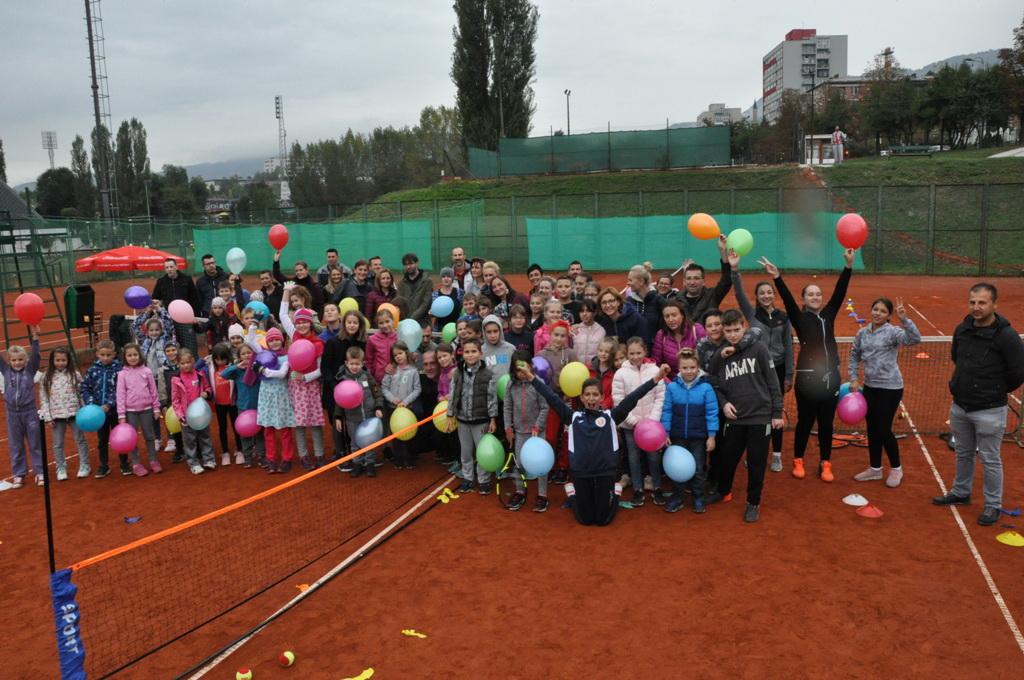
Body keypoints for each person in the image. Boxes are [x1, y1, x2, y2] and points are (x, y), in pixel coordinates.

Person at [524, 358, 671, 526]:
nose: (591, 398)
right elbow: (551, 397)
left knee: (603, 520)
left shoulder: (610, 417)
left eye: (595, 394)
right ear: (581, 397)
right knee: (585, 520)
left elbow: (633, 397)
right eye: (587, 394)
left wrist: (657, 378)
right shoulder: (572, 417)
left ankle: (616, 491)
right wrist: (531, 378)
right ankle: (572, 494)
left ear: (602, 397)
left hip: (605, 472)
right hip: (581, 472)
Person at [933, 283, 1024, 526]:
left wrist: (993, 390)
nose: (976, 307)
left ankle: (993, 505)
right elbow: (957, 357)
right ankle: (961, 492)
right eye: (973, 302)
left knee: (990, 458)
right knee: (963, 452)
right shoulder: (962, 329)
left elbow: (1018, 372)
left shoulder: (1007, 336)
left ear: (995, 304)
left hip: (990, 409)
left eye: (982, 302)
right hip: (961, 406)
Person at [761, 248, 854, 482]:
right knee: (805, 421)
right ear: (804, 299)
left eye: (817, 294)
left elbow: (840, 293)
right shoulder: (800, 319)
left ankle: (825, 463)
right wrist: (777, 277)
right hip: (807, 381)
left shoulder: (828, 316)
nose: (815, 297)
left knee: (826, 424)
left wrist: (848, 267)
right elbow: (787, 301)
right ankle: (798, 459)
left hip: (831, 379)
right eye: (810, 295)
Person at [706, 310, 784, 523]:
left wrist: (777, 412)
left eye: (736, 330)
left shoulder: (759, 349)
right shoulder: (722, 354)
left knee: (756, 462)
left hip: (759, 417)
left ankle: (753, 502)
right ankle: (724, 491)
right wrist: (724, 403)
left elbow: (773, 382)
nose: (732, 335)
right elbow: (712, 380)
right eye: (728, 330)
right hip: (735, 418)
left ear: (744, 327)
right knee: (728, 458)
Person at [848, 297, 921, 487]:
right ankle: (875, 469)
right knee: (872, 429)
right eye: (875, 309)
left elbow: (914, 339)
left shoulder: (893, 332)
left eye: (882, 311)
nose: (877, 313)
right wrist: (854, 378)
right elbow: (854, 355)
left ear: (889, 315)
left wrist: (905, 319)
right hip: (870, 387)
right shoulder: (862, 333)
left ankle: (896, 468)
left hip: (891, 387)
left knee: (883, 429)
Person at [731, 253, 793, 473]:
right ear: (756, 296)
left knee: (775, 411)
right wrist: (735, 270)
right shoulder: (752, 313)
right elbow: (738, 294)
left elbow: (789, 347)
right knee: (758, 414)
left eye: (769, 292)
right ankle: (755, 454)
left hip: (778, 370)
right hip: (757, 370)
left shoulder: (783, 317)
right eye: (762, 293)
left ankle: (776, 455)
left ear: (773, 295)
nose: (766, 296)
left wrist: (788, 375)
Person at [661, 348, 718, 514]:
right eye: (685, 368)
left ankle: (698, 497)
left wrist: (712, 436)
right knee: (677, 468)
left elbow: (712, 413)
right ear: (679, 368)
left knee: (698, 469)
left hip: (698, 438)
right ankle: (677, 497)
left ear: (698, 367)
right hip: (677, 437)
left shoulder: (706, 388)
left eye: (692, 367)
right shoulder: (671, 388)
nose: (689, 371)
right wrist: (666, 432)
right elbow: (666, 411)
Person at [612, 336, 666, 506]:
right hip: (630, 426)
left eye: (638, 352)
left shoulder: (654, 370)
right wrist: (635, 422)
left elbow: (660, 397)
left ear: (645, 352)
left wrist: (652, 421)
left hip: (652, 427)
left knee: (654, 457)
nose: (635, 356)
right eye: (631, 353)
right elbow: (618, 400)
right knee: (633, 458)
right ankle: (637, 490)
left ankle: (657, 487)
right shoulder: (620, 373)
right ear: (627, 354)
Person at [279, 302, 327, 469]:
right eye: (298, 322)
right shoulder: (294, 336)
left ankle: (320, 456)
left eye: (304, 321)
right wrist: (286, 292)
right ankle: (304, 456)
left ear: (311, 323)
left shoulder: (318, 343)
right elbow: (283, 316)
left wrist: (304, 376)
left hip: (311, 386)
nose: (301, 325)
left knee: (315, 423)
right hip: (296, 388)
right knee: (298, 423)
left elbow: (321, 370)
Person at [448, 338, 499, 494]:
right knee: (466, 451)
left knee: (481, 452)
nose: (470, 355)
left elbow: (492, 398)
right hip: (462, 420)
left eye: (473, 351)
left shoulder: (488, 375)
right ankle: (468, 478)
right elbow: (453, 394)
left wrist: (492, 418)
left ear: (480, 353)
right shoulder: (457, 373)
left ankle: (483, 480)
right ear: (462, 353)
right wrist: (451, 414)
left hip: (481, 420)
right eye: (467, 352)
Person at [504, 349, 551, 512]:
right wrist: (508, 426)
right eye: (518, 369)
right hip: (519, 432)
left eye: (524, 368)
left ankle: (542, 495)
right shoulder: (510, 384)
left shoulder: (538, 383)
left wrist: (538, 426)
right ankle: (519, 491)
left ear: (531, 366)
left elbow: (545, 407)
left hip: (537, 432)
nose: (522, 373)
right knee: (519, 463)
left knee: (541, 464)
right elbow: (507, 406)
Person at [248, 326, 296, 473]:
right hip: (266, 397)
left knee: (284, 430)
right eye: (271, 340)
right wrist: (253, 325)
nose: (274, 343)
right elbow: (250, 340)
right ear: (267, 342)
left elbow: (282, 374)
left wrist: (263, 371)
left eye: (277, 340)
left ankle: (287, 459)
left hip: (281, 396)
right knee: (268, 430)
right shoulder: (263, 353)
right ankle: (271, 459)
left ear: (282, 341)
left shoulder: (287, 357)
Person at [39, 347, 91, 480]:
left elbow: (81, 394)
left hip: (75, 413)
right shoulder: (46, 376)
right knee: (57, 443)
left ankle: (85, 465)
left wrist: (85, 411)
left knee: (80, 440)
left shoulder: (75, 374)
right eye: (57, 360)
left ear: (68, 361)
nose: (61, 362)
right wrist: (48, 416)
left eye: (63, 360)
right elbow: (44, 398)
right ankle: (61, 467)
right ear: (52, 361)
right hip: (57, 416)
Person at [1, 327, 42, 487]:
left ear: (25, 361)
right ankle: (19, 474)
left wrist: (35, 339)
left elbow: (36, 356)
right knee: (15, 444)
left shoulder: (30, 370)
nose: (17, 362)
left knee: (35, 443)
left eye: (20, 360)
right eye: (13, 360)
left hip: (30, 413)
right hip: (12, 415)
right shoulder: (5, 371)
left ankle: (39, 472)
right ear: (9, 361)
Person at [334, 346, 384, 476]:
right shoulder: (343, 380)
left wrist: (378, 407)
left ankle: (370, 463)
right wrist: (338, 417)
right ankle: (357, 463)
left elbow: (377, 393)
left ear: (363, 363)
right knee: (355, 441)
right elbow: (339, 400)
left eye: (357, 364)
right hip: (352, 418)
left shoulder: (367, 377)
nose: (354, 366)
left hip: (369, 416)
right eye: (352, 363)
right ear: (346, 363)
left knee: (370, 440)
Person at [116, 343, 162, 476]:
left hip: (147, 410)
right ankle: (136, 463)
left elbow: (153, 391)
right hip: (130, 412)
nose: (133, 357)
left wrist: (156, 408)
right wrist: (121, 415)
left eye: (135, 354)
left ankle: (153, 460)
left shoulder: (147, 371)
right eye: (129, 355)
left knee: (149, 436)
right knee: (132, 438)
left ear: (140, 355)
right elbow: (120, 395)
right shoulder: (122, 374)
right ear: (125, 357)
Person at [80, 339, 123, 479]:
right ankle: (104, 466)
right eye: (103, 354)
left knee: (120, 437)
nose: (105, 358)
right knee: (102, 440)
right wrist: (92, 404)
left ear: (114, 354)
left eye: (109, 355)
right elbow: (85, 388)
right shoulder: (92, 370)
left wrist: (109, 404)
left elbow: (121, 390)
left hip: (115, 411)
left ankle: (124, 463)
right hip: (98, 414)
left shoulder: (119, 369)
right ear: (97, 354)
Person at [171, 348, 215, 474]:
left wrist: (206, 393)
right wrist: (181, 416)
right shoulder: (176, 380)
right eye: (182, 363)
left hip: (201, 415)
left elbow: (207, 388)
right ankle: (193, 463)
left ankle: (209, 460)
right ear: (178, 364)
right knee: (189, 441)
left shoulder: (200, 375)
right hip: (186, 417)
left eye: (188, 362)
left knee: (205, 437)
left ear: (193, 361)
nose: (186, 365)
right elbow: (175, 401)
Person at [220, 344, 264, 468]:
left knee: (260, 434)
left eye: (249, 353)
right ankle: (248, 457)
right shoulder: (237, 371)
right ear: (239, 357)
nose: (246, 356)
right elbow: (223, 374)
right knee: (245, 435)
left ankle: (261, 457)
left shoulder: (257, 368)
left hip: (258, 407)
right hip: (243, 408)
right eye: (243, 354)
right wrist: (236, 366)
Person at [673, 236, 732, 326]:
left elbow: (727, 279)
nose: (692, 282)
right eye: (689, 278)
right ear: (684, 281)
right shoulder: (676, 300)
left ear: (703, 281)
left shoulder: (712, 295)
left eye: (696, 278)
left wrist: (723, 251)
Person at [381, 342, 422, 469]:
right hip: (393, 408)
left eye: (400, 353)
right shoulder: (391, 370)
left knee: (409, 432)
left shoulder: (413, 371)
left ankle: (409, 457)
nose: (398, 356)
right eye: (395, 355)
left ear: (406, 353)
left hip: (408, 409)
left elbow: (417, 389)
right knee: (396, 433)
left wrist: (406, 401)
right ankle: (398, 458)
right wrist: (393, 399)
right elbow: (384, 388)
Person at [207, 342, 243, 466]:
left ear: (228, 357)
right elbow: (197, 366)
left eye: (223, 359)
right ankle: (225, 452)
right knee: (222, 428)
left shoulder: (233, 367)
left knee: (236, 427)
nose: (220, 362)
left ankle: (240, 451)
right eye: (217, 359)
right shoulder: (211, 368)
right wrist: (204, 360)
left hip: (232, 403)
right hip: (219, 404)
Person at [651, 299, 706, 377]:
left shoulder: (696, 329)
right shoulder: (661, 335)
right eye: (667, 316)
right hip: (672, 381)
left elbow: (706, 357)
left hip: (697, 379)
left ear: (682, 315)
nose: (671, 319)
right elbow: (657, 364)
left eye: (674, 315)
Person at [273, 250, 325, 316]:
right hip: (294, 318)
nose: (298, 272)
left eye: (301, 270)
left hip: (310, 319)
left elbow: (320, 307)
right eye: (296, 271)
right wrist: (276, 261)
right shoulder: (292, 283)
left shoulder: (315, 286)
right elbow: (277, 275)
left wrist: (315, 320)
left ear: (306, 270)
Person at [625, 265, 664, 344]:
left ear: (641, 281)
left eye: (630, 280)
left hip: (655, 349)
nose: (628, 283)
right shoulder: (628, 302)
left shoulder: (659, 301)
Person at [397, 252, 433, 323]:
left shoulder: (427, 281)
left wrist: (412, 319)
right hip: (405, 322)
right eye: (406, 264)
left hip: (423, 322)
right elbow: (399, 302)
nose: (408, 267)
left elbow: (426, 304)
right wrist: (406, 320)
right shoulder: (401, 283)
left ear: (417, 263)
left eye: (410, 264)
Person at [366, 308, 398, 384]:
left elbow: (403, 355)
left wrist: (394, 365)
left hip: (396, 377)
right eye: (381, 323)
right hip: (379, 379)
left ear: (393, 321)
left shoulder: (398, 337)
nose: (385, 325)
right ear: (377, 324)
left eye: (387, 321)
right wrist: (371, 377)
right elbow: (368, 361)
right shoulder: (372, 339)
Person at [572, 299, 606, 367]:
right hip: (577, 368)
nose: (584, 314)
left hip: (594, 368)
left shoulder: (601, 331)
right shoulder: (575, 329)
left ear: (594, 312)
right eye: (582, 311)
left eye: (588, 311)